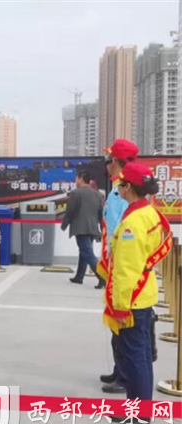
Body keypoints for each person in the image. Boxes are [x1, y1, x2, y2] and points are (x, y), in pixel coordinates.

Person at [103, 163, 171, 414]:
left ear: (129, 187)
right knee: (140, 354)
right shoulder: (149, 212)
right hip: (144, 293)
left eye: (121, 184)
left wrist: (120, 307)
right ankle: (142, 406)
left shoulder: (133, 222)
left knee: (133, 356)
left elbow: (126, 269)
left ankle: (138, 411)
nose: (118, 188)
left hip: (132, 298)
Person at [96, 139, 139, 395]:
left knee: (123, 321)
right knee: (116, 322)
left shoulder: (124, 190)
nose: (107, 164)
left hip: (122, 263)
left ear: (115, 162)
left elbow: (123, 229)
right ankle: (119, 369)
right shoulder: (117, 188)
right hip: (114, 262)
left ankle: (124, 375)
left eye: (109, 159)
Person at [60, 171, 104, 287]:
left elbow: (70, 211)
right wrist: (101, 228)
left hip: (81, 228)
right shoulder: (97, 194)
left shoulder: (76, 193)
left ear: (81, 179)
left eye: (76, 179)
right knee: (84, 252)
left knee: (87, 253)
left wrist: (64, 225)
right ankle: (79, 277)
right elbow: (101, 213)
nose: (75, 182)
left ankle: (102, 276)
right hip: (92, 228)